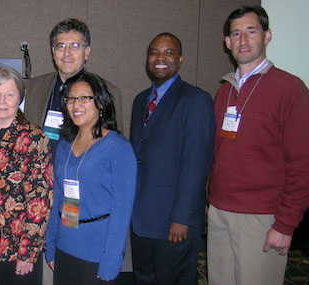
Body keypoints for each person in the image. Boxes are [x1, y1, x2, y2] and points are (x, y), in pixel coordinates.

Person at [208, 6, 309, 285]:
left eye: (251, 32)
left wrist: (285, 224)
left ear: (267, 36)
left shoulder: (290, 89)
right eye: (236, 33)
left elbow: (303, 163)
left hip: (262, 219)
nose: (243, 40)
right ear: (227, 42)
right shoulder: (225, 90)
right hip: (219, 213)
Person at [129, 33, 215, 284]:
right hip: (142, 220)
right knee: (144, 279)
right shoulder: (140, 101)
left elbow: (196, 164)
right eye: (154, 52)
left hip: (174, 222)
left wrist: (182, 218)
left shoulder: (196, 100)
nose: (160, 58)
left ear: (180, 59)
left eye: (168, 52)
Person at [45, 72, 136, 284]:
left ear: (101, 103)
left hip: (96, 250)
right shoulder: (64, 146)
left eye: (85, 98)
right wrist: (50, 244)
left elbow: (122, 211)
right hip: (64, 245)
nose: (76, 104)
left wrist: (112, 261)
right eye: (71, 98)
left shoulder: (119, 148)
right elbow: (57, 198)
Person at [0, 66, 53, 285]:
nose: (2, 101)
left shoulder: (33, 137)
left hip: (16, 241)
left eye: (9, 94)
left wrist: (29, 250)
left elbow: (40, 200)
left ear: (19, 99)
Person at [25, 18, 124, 150]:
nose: (67, 53)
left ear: (87, 52)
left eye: (75, 46)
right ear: (53, 52)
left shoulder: (108, 91)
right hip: (42, 168)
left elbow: (115, 147)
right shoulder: (35, 86)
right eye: (61, 46)